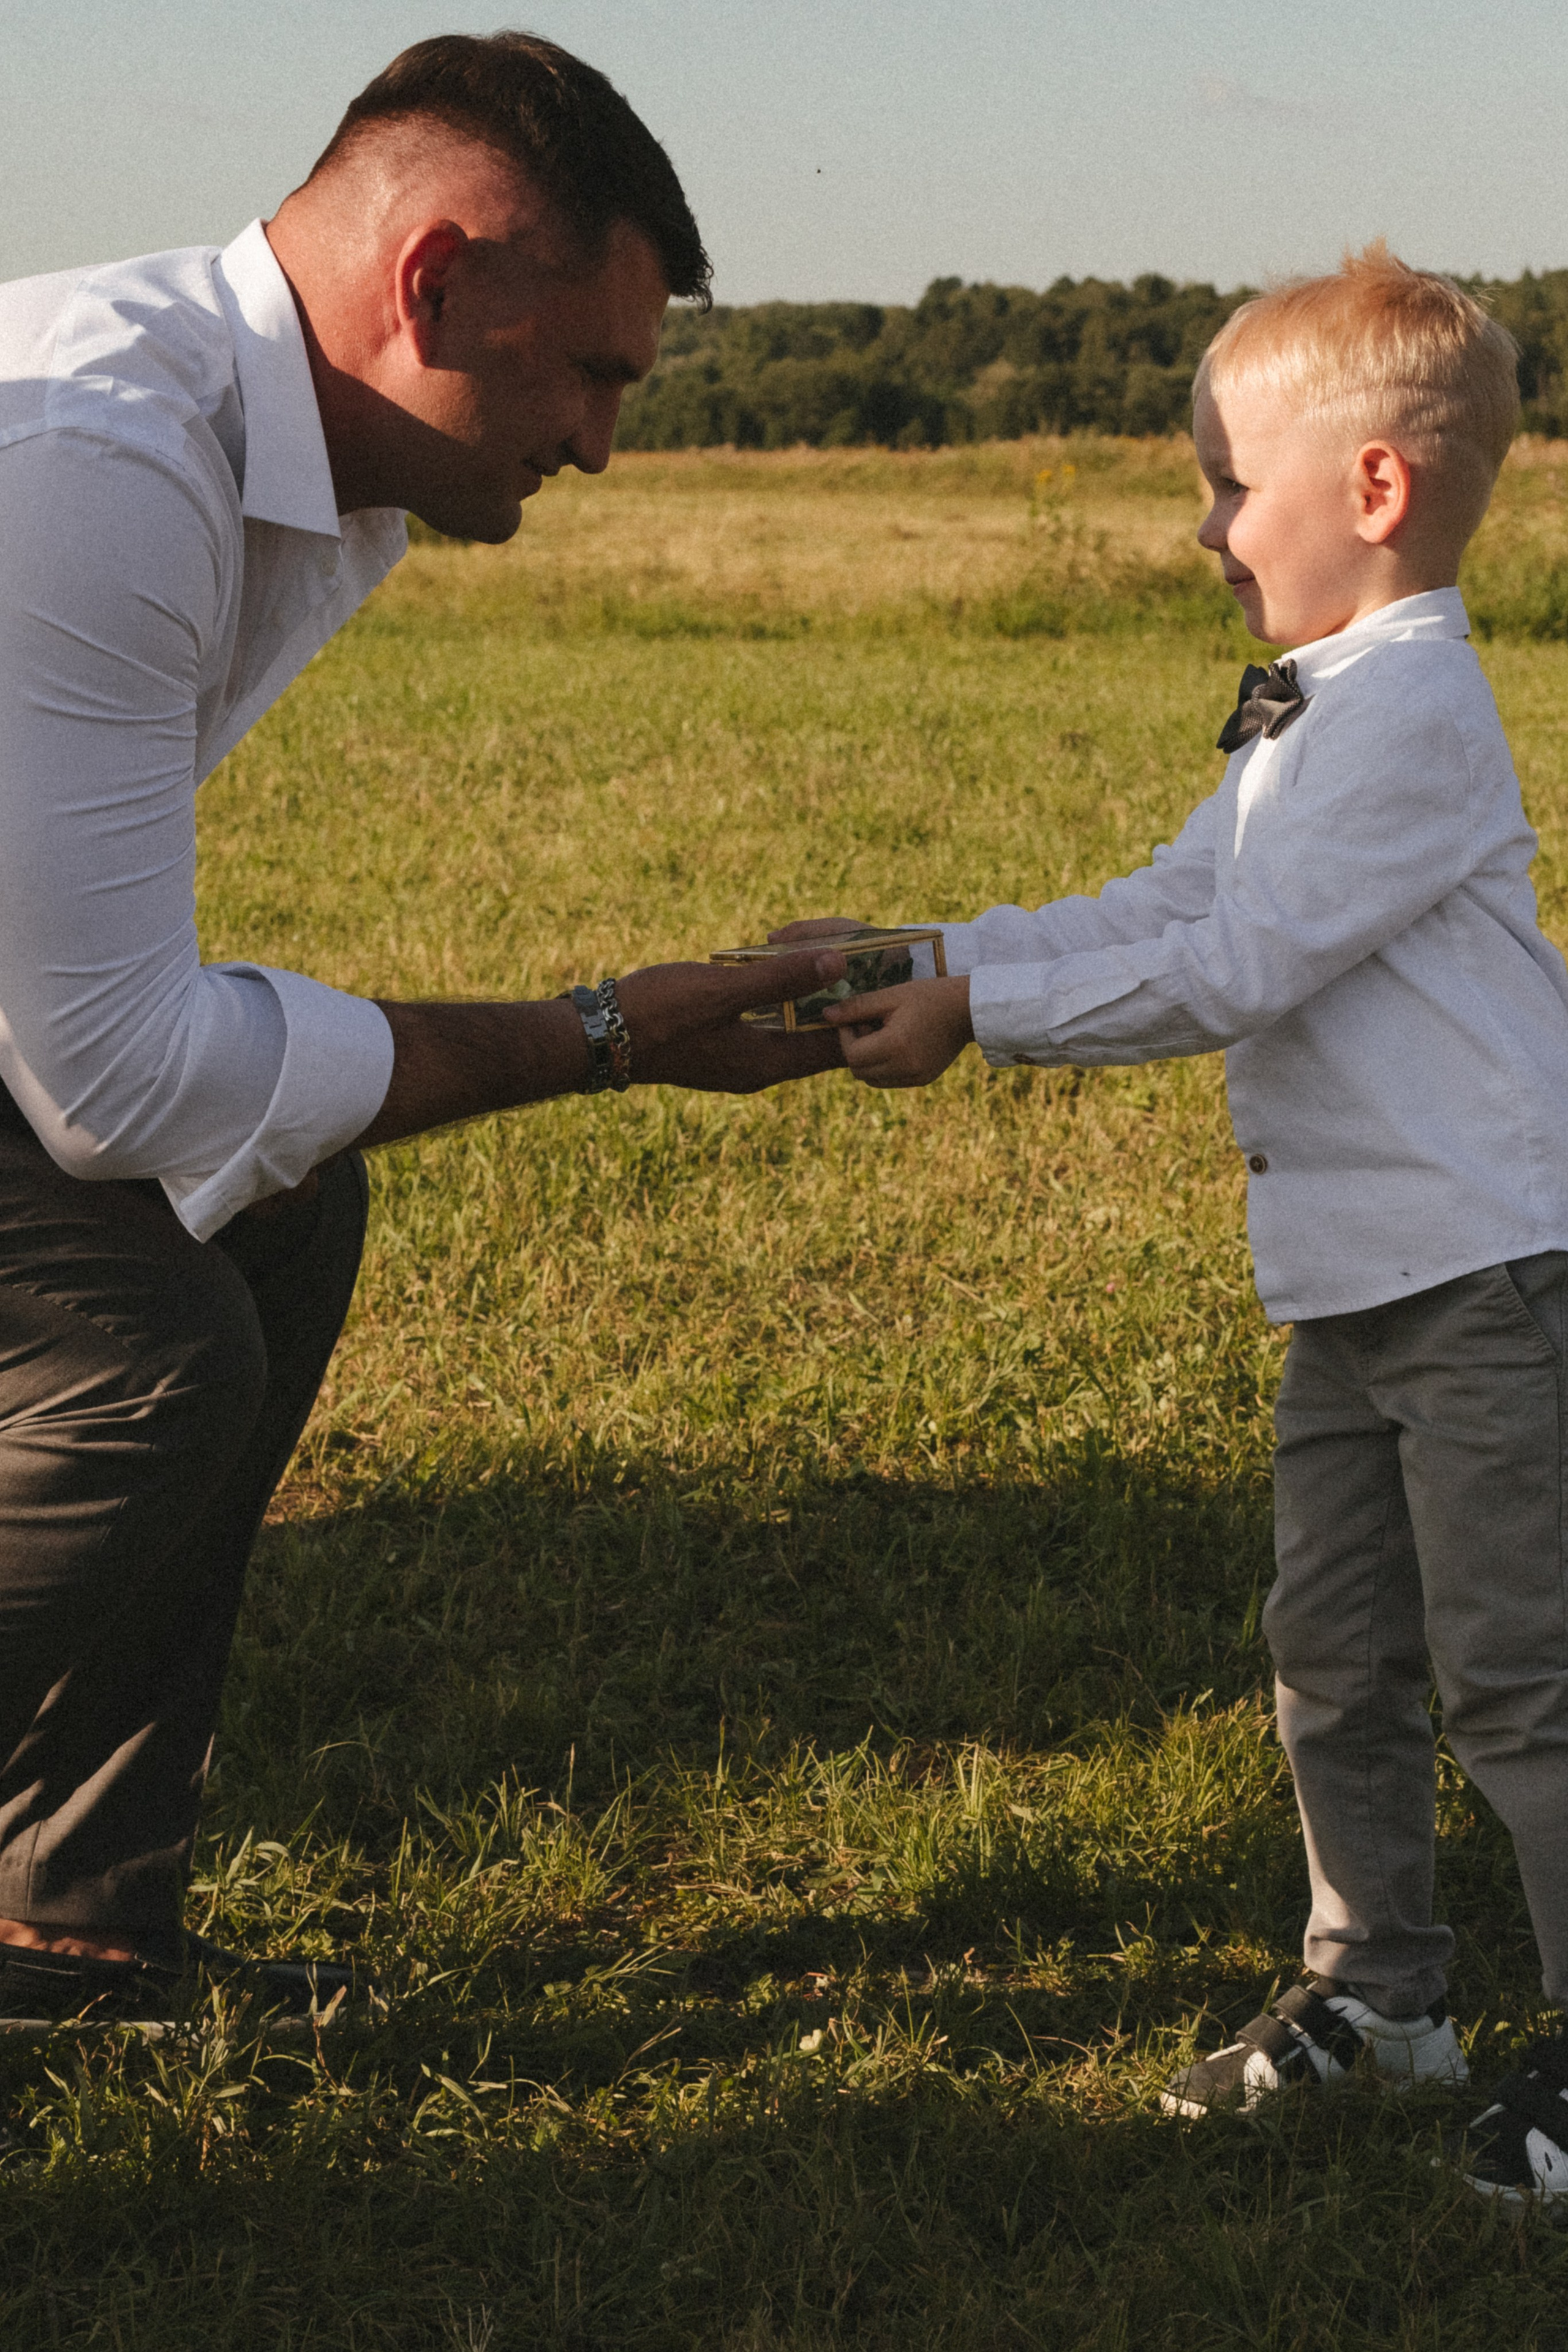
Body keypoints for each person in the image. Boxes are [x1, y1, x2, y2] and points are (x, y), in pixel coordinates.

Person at [0, 30, 846, 2024]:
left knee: (276, 1216)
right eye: (592, 371)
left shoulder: (315, 463)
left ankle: (60, 1926)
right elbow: (111, 1075)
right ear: (438, 280)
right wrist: (606, 1034)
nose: (606, 443)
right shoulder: (103, 465)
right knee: (145, 1351)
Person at [777, 247, 1568, 2206]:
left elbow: (1235, 965)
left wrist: (980, 1017)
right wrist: (925, 952)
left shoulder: (1406, 710)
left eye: (1232, 485)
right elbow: (1167, 898)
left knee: (1525, 1681)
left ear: (1372, 492)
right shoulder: (1311, 708)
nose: (1208, 531)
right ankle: (1380, 1993)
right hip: (1356, 1282)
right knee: (1333, 1656)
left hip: (1489, 1276)